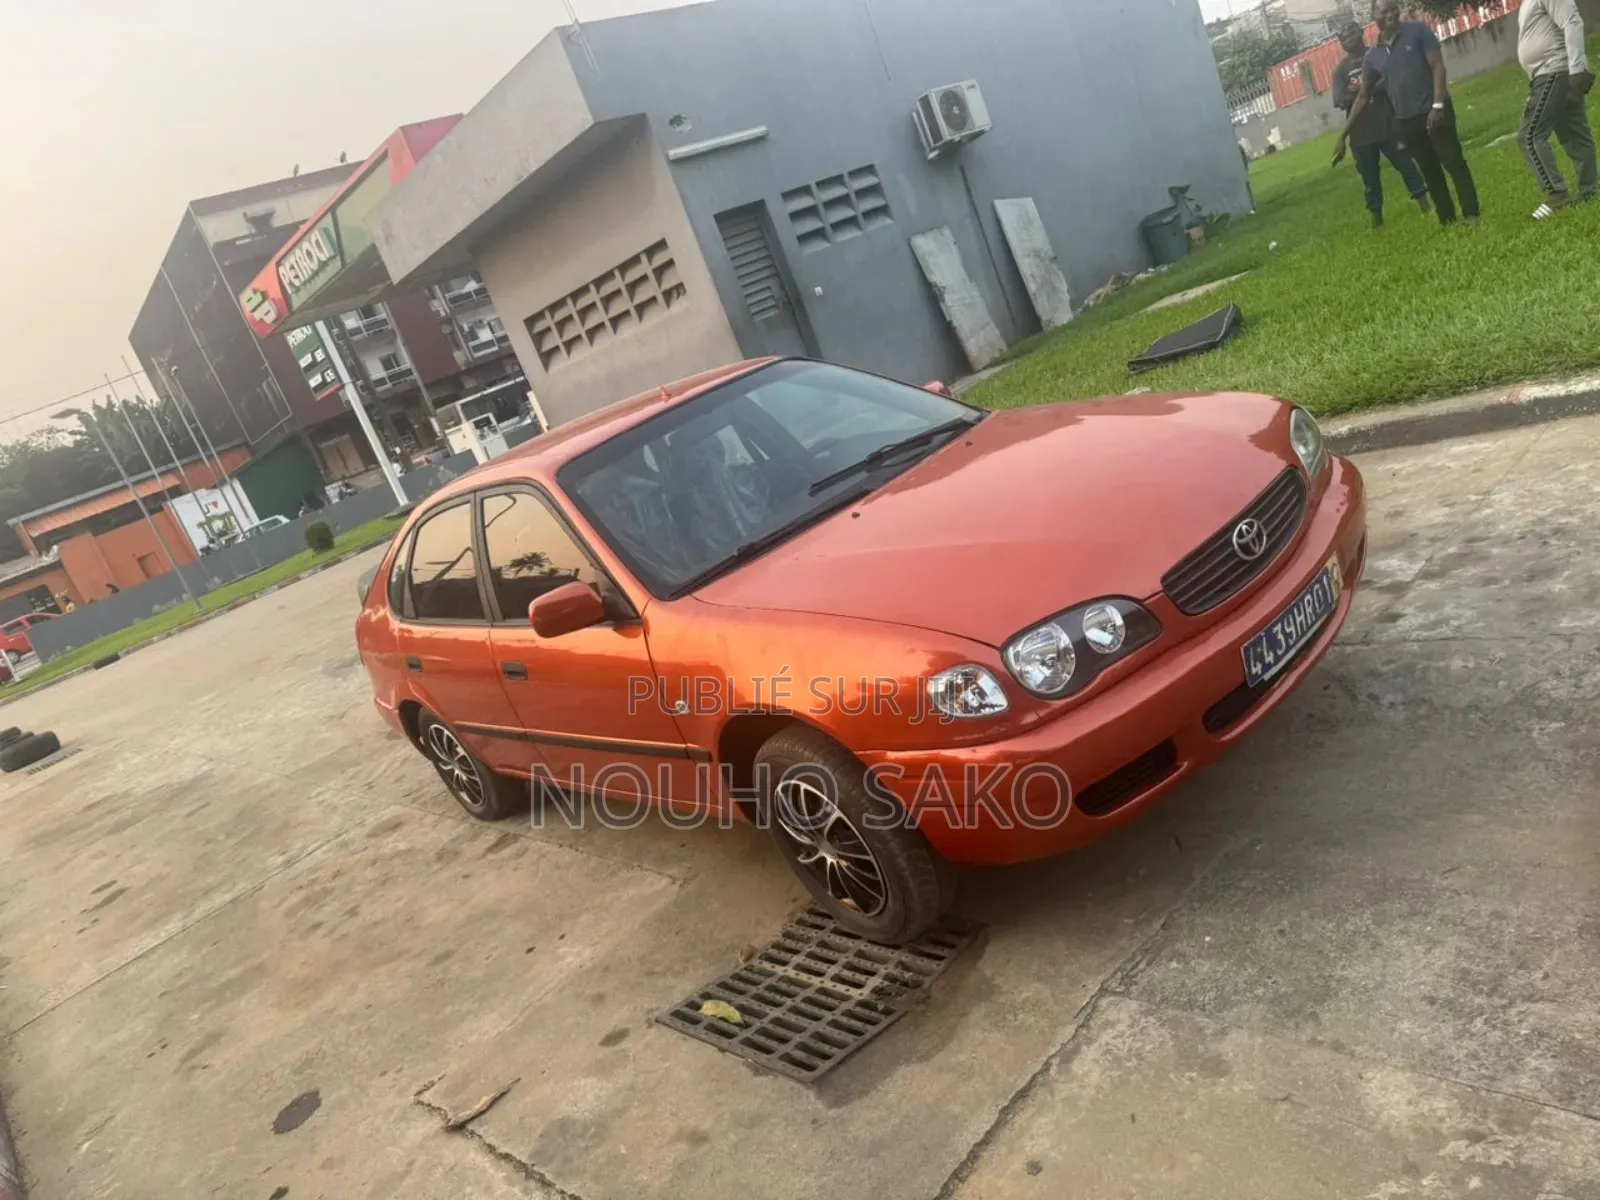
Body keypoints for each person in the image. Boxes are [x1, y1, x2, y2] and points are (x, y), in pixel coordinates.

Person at [1337, 0, 1480, 225]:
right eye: (1384, 11)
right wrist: (1343, 135)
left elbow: (1437, 67)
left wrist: (1438, 105)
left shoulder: (1417, 30)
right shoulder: (1373, 56)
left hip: (1435, 110)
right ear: (1374, 17)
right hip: (1406, 120)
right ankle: (1447, 219)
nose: (1390, 15)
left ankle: (1471, 214)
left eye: (1393, 9)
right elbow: (1363, 96)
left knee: (1453, 162)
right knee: (1429, 169)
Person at [1330, 22, 1431, 226]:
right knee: (1370, 179)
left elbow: (1391, 80)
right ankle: (1376, 220)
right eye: (1342, 38)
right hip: (1360, 134)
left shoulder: (1378, 54)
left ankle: (1426, 206)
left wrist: (1361, 90)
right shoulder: (1340, 70)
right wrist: (1365, 90)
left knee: (1406, 166)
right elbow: (1339, 101)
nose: (1347, 39)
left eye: (1350, 33)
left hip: (1389, 125)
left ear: (1361, 32)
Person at [1515, 0, 1596, 217]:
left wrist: (1577, 67)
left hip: (1553, 70)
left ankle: (1557, 196)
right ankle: (1590, 191)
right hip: (1553, 71)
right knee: (1575, 136)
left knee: (1529, 136)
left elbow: (1572, 21)